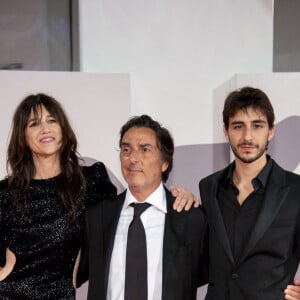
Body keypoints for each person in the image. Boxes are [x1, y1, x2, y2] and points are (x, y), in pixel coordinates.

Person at [0, 94, 197, 299]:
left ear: (63, 128)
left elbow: (127, 208)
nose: (45, 129)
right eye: (34, 124)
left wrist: (174, 193)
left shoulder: (90, 181)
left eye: (51, 120)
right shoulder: (5, 193)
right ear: (22, 135)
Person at [77, 114, 208, 299]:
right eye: (126, 150)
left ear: (164, 162)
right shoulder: (98, 216)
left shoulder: (191, 218)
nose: (133, 159)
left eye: (145, 150)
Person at [199, 86, 300, 300]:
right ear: (226, 131)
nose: (247, 136)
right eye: (238, 126)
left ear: (271, 131)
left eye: (257, 126)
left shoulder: (296, 190)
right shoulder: (208, 187)